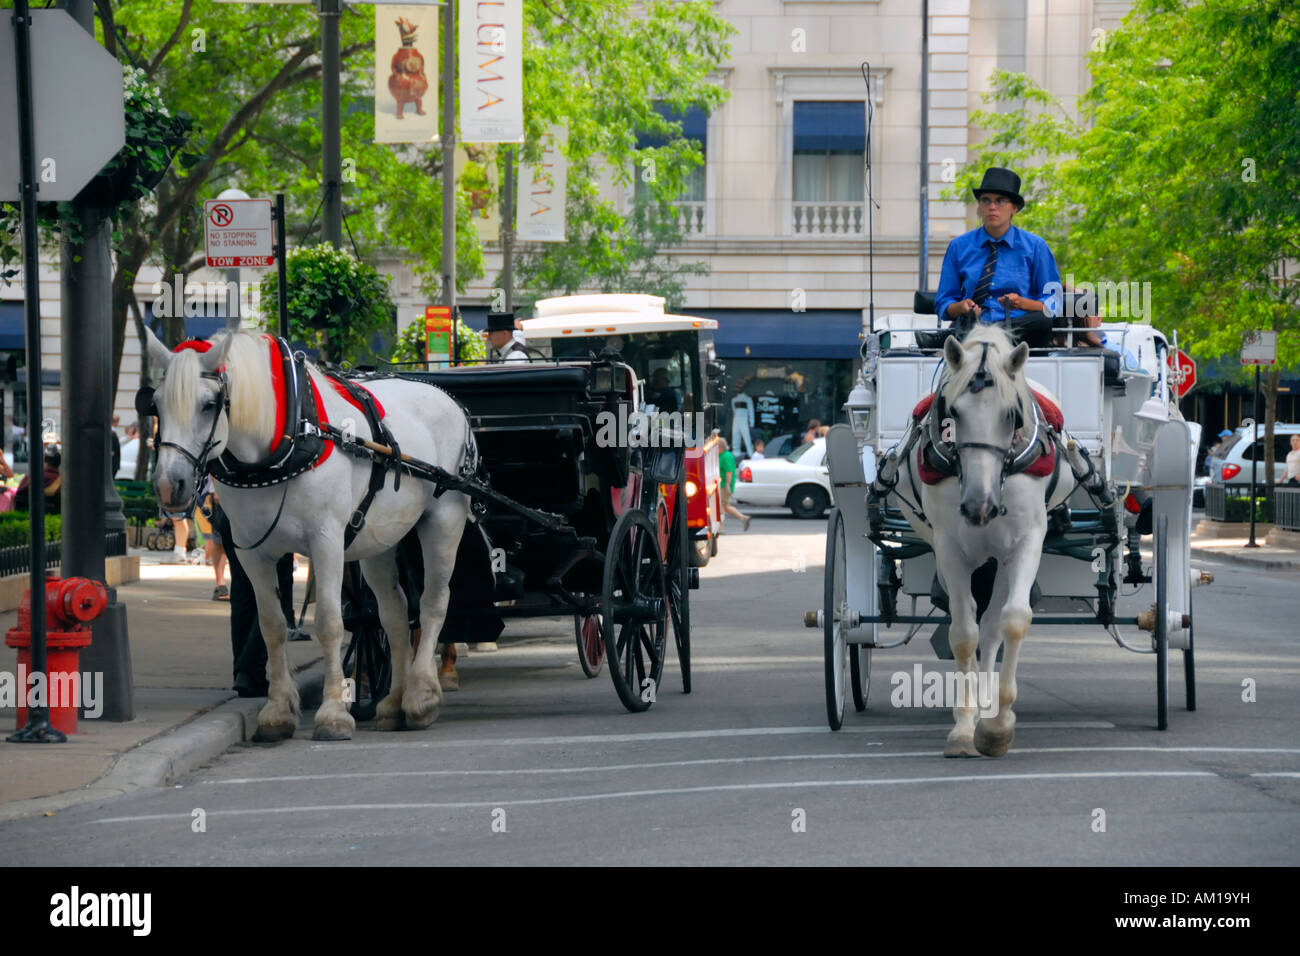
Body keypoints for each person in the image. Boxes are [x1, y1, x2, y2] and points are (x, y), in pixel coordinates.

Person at [935, 167, 1062, 347]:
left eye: (1000, 201)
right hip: (973, 328)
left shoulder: (1035, 247)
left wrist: (1022, 303)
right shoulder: (958, 247)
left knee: (1042, 321)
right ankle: (980, 339)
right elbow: (943, 302)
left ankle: (988, 339)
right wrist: (960, 307)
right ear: (979, 207)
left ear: (1014, 208)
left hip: (1019, 333)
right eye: (986, 200)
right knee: (965, 331)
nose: (992, 207)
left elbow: (1055, 303)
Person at [717, 437, 750, 532]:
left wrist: (727, 485)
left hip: (724, 485)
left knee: (721, 506)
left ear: (720, 447)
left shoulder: (726, 456)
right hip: (723, 484)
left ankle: (720, 528)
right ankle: (743, 518)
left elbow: (729, 472)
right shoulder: (723, 455)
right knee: (724, 506)